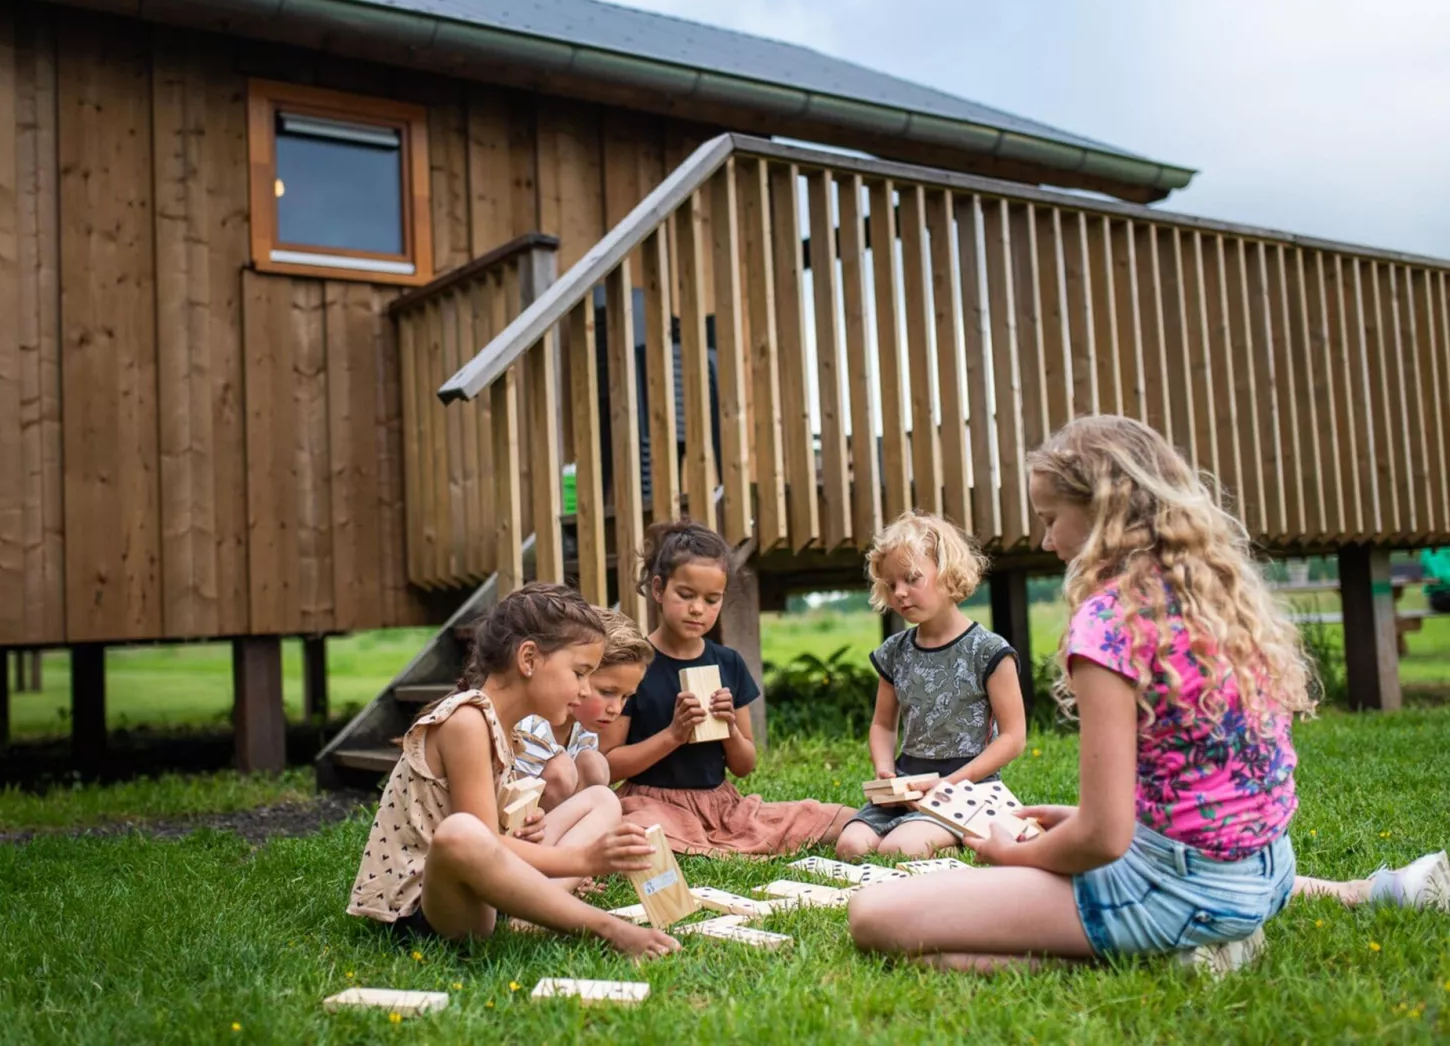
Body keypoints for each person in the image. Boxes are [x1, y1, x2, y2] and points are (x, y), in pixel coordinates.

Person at [849, 415, 1445, 973]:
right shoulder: (1217, 595)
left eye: (1053, 518)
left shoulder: (1109, 625)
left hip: (1177, 887)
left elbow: (1102, 840)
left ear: (1103, 513)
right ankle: (1345, 897)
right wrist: (1078, 821)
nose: (1048, 539)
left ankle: (1171, 953)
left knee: (874, 917)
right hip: (1262, 871)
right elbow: (1193, 783)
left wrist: (1012, 853)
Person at [345, 581, 678, 958]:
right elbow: (475, 839)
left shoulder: (510, 726)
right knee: (461, 833)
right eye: (580, 673)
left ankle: (537, 913)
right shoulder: (467, 722)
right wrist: (584, 860)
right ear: (529, 659)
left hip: (486, 890)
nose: (585, 691)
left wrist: (522, 829)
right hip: (429, 910)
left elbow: (494, 835)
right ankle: (603, 927)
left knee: (601, 799)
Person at [600, 518, 855, 855]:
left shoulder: (728, 662)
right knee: (639, 831)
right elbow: (609, 764)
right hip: (652, 803)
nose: (697, 609)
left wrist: (730, 730)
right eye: (686, 595)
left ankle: (707, 842)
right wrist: (673, 735)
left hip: (720, 805)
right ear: (659, 589)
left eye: (711, 600)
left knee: (833, 818)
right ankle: (699, 843)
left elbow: (744, 766)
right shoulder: (636, 666)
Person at [835, 511, 1027, 861]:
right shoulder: (895, 652)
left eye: (911, 579)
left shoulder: (988, 651)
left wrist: (950, 783)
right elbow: (882, 724)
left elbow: (1013, 738)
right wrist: (885, 772)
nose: (900, 593)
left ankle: (953, 833)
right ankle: (912, 823)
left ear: (948, 571)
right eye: (891, 585)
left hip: (968, 787)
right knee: (850, 846)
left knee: (899, 849)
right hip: (905, 786)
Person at [511, 608, 654, 812]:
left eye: (626, 697)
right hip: (512, 832)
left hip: (554, 827)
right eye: (606, 692)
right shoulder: (527, 725)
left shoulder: (584, 732)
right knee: (560, 770)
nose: (616, 709)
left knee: (594, 763)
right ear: (580, 674)